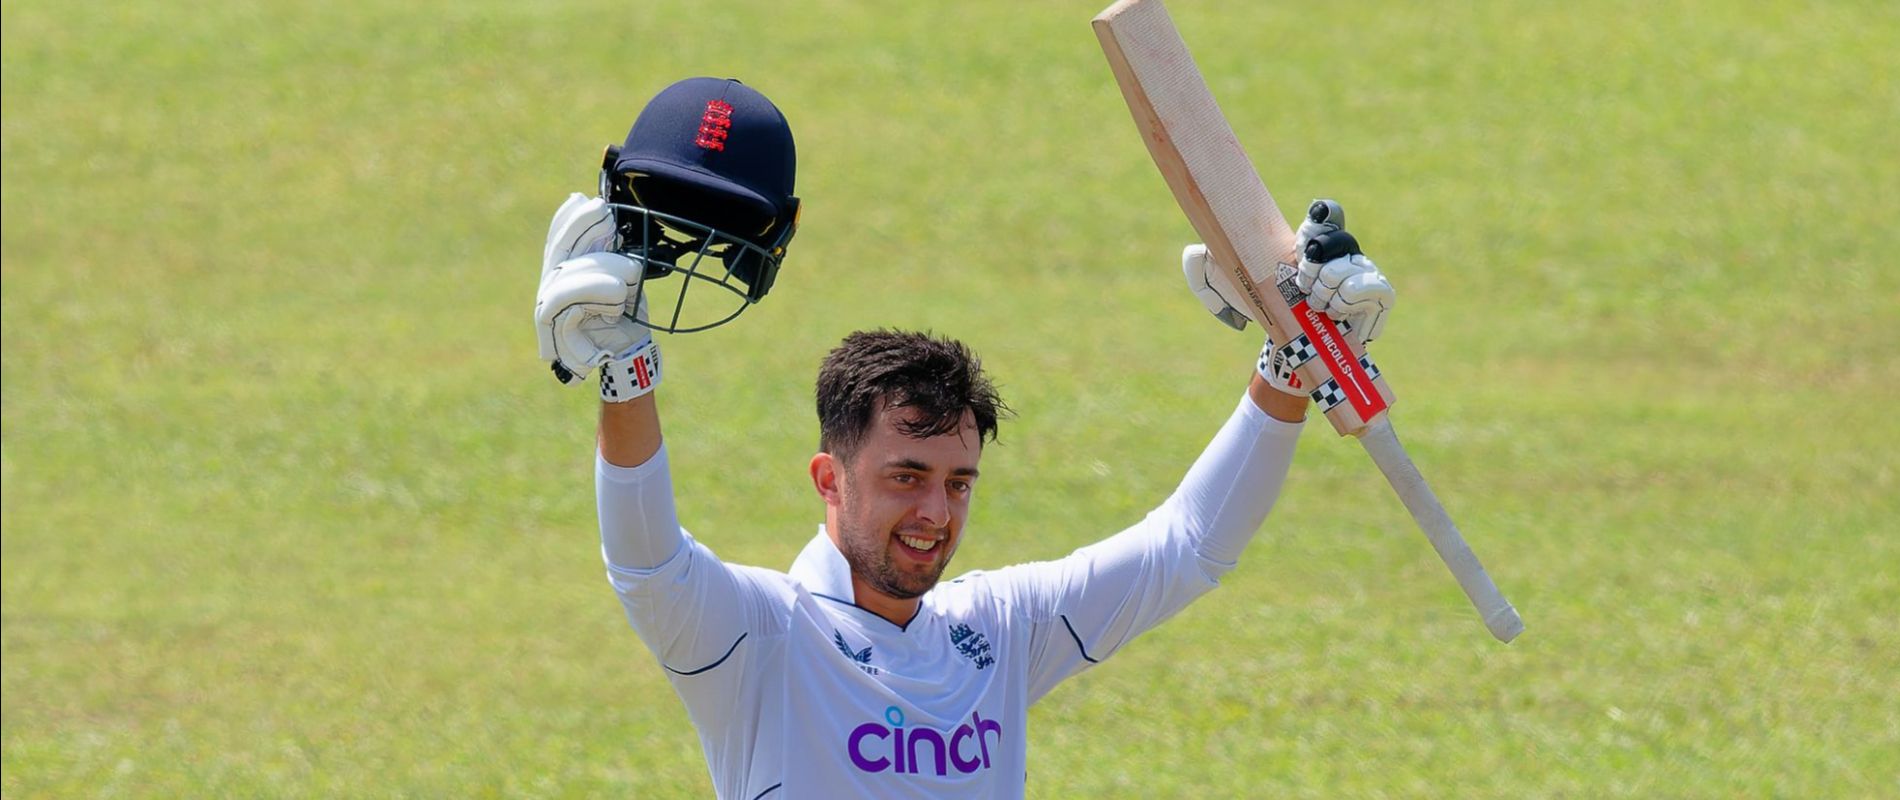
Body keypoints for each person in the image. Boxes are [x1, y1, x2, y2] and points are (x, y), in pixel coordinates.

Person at [533, 77, 1394, 799]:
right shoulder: (759, 638)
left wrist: (1286, 372)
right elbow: (649, 564)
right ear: (829, 479)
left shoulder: (998, 629)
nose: (936, 512)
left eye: (958, 482)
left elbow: (1190, 547)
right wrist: (626, 377)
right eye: (907, 475)